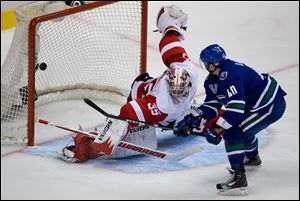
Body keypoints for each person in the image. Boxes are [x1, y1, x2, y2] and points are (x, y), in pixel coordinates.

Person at [60, 5, 199, 162]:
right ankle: (188, 118)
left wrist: (122, 123)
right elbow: (169, 42)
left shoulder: (164, 105)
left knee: (130, 116)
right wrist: (169, 24)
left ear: (187, 86)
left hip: (165, 113)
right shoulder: (185, 67)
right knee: (139, 86)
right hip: (155, 92)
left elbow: (131, 110)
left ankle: (92, 147)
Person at [174, 44, 287, 195]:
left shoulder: (231, 75)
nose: (205, 66)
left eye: (205, 63)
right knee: (242, 129)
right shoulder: (213, 80)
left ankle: (239, 177)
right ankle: (253, 158)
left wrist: (218, 130)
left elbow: (235, 112)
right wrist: (193, 118)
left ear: (211, 64)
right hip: (255, 105)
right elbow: (212, 104)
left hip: (270, 106)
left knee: (233, 131)